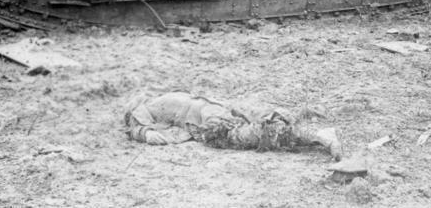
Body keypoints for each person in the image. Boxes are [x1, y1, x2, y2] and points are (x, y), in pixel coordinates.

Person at [124, 92, 342, 159]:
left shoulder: (141, 109)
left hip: (207, 121)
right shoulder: (164, 96)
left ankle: (318, 135)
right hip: (214, 109)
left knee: (239, 136)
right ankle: (297, 121)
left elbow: (140, 128)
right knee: (250, 123)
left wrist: (142, 133)